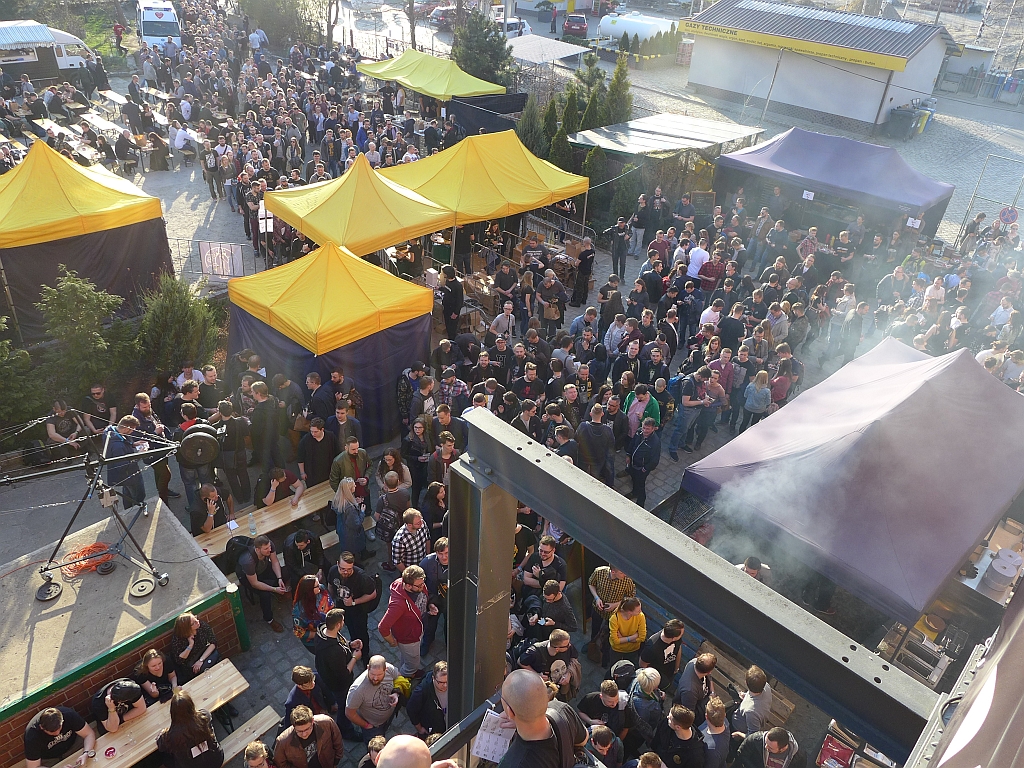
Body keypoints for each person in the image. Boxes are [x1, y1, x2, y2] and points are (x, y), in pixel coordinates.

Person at [498, 669, 584, 768]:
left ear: (510, 712)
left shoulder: (512, 763)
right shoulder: (562, 709)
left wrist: (519, 721)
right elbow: (583, 740)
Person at [156, 691, 224, 768]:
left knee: (165, 758)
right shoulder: (204, 716)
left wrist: (163, 732)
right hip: (216, 761)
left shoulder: (170, 736)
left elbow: (160, 746)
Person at [237, 534, 289, 632]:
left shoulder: (269, 546)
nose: (269, 550)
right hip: (248, 577)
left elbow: (274, 561)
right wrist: (274, 589)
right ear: (257, 549)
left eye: (269, 547)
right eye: (266, 549)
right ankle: (269, 619)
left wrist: (279, 578)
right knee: (265, 594)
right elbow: (255, 583)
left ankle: (278, 590)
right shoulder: (248, 561)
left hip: (262, 567)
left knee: (284, 572)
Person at [346, 656, 400, 744]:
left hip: (388, 716)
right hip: (373, 727)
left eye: (379, 675)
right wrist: (367, 726)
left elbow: (399, 677)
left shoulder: (390, 669)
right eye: (372, 674)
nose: (375, 678)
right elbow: (349, 713)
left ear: (385, 670)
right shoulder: (357, 690)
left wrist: (396, 692)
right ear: (368, 668)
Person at [24, 706, 97, 768]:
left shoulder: (68, 714)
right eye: (52, 731)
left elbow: (89, 734)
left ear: (62, 721)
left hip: (74, 745)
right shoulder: (32, 735)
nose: (57, 733)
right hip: (51, 759)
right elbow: (33, 767)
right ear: (41, 727)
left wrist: (86, 753)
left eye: (59, 728)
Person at [274, 705, 344, 768]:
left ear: (312, 721)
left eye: (307, 729)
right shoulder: (283, 742)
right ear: (293, 726)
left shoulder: (326, 722)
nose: (304, 734)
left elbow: (337, 740)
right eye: (300, 731)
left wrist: (336, 761)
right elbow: (280, 763)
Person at [170, 612, 219, 683]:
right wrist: (190, 645)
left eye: (195, 618)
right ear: (187, 628)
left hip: (203, 655)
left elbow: (213, 643)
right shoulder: (178, 639)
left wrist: (201, 660)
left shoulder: (202, 626)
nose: (197, 621)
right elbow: (179, 660)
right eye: (194, 623)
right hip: (191, 664)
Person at [420, 539, 449, 655]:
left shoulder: (460, 562)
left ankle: (450, 645)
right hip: (433, 600)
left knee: (450, 626)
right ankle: (427, 642)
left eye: (447, 553)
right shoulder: (427, 563)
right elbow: (420, 585)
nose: (444, 557)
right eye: (440, 553)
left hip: (451, 601)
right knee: (430, 625)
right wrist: (429, 602)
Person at [639, 618, 685, 691]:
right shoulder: (652, 647)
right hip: (655, 679)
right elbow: (642, 665)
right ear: (673, 638)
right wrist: (652, 684)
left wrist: (676, 668)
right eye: (681, 634)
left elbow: (678, 648)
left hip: (669, 673)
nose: (682, 636)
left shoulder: (676, 639)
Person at [407, 660, 449, 738]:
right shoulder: (422, 691)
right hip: (434, 726)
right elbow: (411, 709)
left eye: (447, 681)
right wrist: (419, 728)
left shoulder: (454, 682)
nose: (445, 685)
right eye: (441, 682)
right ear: (433, 678)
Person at [626, 417, 660, 507]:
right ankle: (634, 492)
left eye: (647, 429)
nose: (644, 430)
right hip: (633, 463)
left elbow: (655, 460)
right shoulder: (639, 432)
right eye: (644, 427)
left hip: (642, 468)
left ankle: (641, 503)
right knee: (634, 478)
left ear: (653, 429)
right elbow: (632, 443)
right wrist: (628, 455)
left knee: (641, 484)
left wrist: (645, 468)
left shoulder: (655, 442)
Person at [674, 652, 715, 727]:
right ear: (709, 671)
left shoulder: (694, 662)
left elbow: (709, 677)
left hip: (701, 700)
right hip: (685, 714)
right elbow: (689, 714)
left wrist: (712, 692)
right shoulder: (690, 690)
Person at [732, 666, 774, 739]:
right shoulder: (766, 686)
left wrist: (738, 734)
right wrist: (745, 695)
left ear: (746, 683)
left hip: (738, 729)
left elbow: (752, 736)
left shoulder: (751, 711)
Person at [735, 727, 807, 768]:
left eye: (770, 747)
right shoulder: (755, 740)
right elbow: (741, 754)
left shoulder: (799, 758)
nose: (765, 746)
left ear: (783, 749)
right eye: (766, 742)